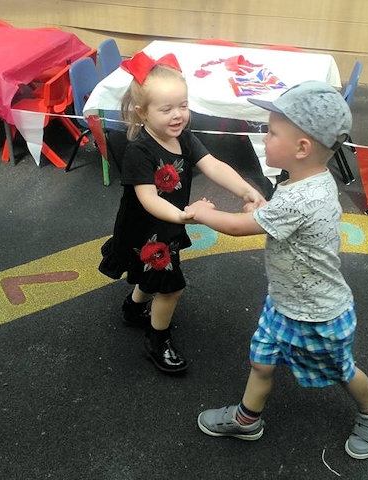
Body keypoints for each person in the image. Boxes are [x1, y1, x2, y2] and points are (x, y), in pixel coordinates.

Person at [185, 81, 368, 459]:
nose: (264, 137)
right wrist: (261, 214)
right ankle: (248, 419)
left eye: (272, 131)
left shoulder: (300, 197)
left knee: (342, 371)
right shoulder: (306, 180)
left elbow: (233, 227)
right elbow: (280, 221)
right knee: (261, 360)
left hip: (318, 313)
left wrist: (204, 213)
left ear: (302, 147)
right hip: (284, 303)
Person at [98, 51, 265, 375]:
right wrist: (183, 217)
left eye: (183, 106)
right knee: (170, 286)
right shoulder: (140, 151)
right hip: (147, 228)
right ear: (142, 113)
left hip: (169, 223)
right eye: (167, 109)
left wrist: (245, 189)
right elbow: (147, 198)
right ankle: (157, 340)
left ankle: (133, 308)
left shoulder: (182, 137)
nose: (178, 115)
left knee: (154, 277)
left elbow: (213, 165)